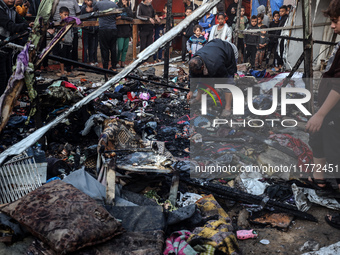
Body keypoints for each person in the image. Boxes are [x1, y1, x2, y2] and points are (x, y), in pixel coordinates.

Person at [305, 0, 340, 229]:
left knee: (336, 153)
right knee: (316, 137)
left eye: (336, 21)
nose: (333, 26)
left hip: (334, 109)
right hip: (329, 108)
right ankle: (320, 182)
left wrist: (321, 114)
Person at [187, 39, 237, 117]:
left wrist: (210, 87)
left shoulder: (216, 63)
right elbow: (193, 76)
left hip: (229, 51)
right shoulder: (194, 62)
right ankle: (198, 98)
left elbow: (221, 77)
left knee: (228, 82)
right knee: (201, 77)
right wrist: (191, 90)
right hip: (214, 47)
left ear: (202, 66)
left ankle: (228, 108)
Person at [0, 0, 33, 95]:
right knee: (2, 76)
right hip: (1, 45)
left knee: (8, 75)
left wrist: (30, 24)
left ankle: (5, 99)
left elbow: (21, 21)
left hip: (8, 46)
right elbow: (11, 26)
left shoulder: (12, 9)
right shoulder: (1, 9)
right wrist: (26, 25)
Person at [94, 0, 119, 70]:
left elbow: (93, 12)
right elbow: (118, 17)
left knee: (104, 49)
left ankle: (105, 68)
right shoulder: (114, 4)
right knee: (113, 48)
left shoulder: (98, 4)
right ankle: (114, 67)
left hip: (103, 29)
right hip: (113, 28)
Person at [53, 0, 81, 64]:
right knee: (60, 47)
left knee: (72, 47)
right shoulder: (56, 1)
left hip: (71, 26)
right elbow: (52, 12)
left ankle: (72, 63)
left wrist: (76, 22)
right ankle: (59, 62)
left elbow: (78, 13)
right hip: (59, 26)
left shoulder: (73, 1)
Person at [56, 7, 73, 76]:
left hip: (69, 42)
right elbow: (56, 33)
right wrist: (61, 38)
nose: (66, 16)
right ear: (60, 14)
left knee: (69, 58)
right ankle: (62, 71)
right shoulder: (58, 23)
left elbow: (71, 31)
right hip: (62, 43)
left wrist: (72, 37)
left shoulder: (70, 22)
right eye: (65, 15)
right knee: (62, 58)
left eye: (67, 15)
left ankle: (69, 71)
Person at [81, 0, 99, 66]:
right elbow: (82, 18)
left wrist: (92, 11)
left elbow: (97, 15)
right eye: (88, 0)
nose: (90, 2)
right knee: (85, 47)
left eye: (91, 0)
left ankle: (91, 60)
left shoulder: (94, 7)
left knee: (92, 46)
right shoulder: (83, 8)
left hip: (93, 30)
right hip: (86, 30)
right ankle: (85, 61)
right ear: (85, 1)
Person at [117, 0, 133, 68]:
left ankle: (123, 62)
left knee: (125, 48)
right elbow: (117, 17)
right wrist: (126, 18)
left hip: (127, 30)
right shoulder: (118, 6)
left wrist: (126, 6)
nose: (124, 1)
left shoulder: (128, 7)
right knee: (119, 48)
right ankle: (117, 61)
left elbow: (131, 17)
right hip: (120, 31)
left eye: (126, 0)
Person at [274, 5, 288, 71]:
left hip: (283, 37)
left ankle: (281, 66)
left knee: (281, 51)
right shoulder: (282, 19)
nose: (281, 13)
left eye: (282, 11)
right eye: (280, 11)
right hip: (279, 37)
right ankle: (279, 65)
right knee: (279, 51)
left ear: (286, 11)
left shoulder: (286, 18)